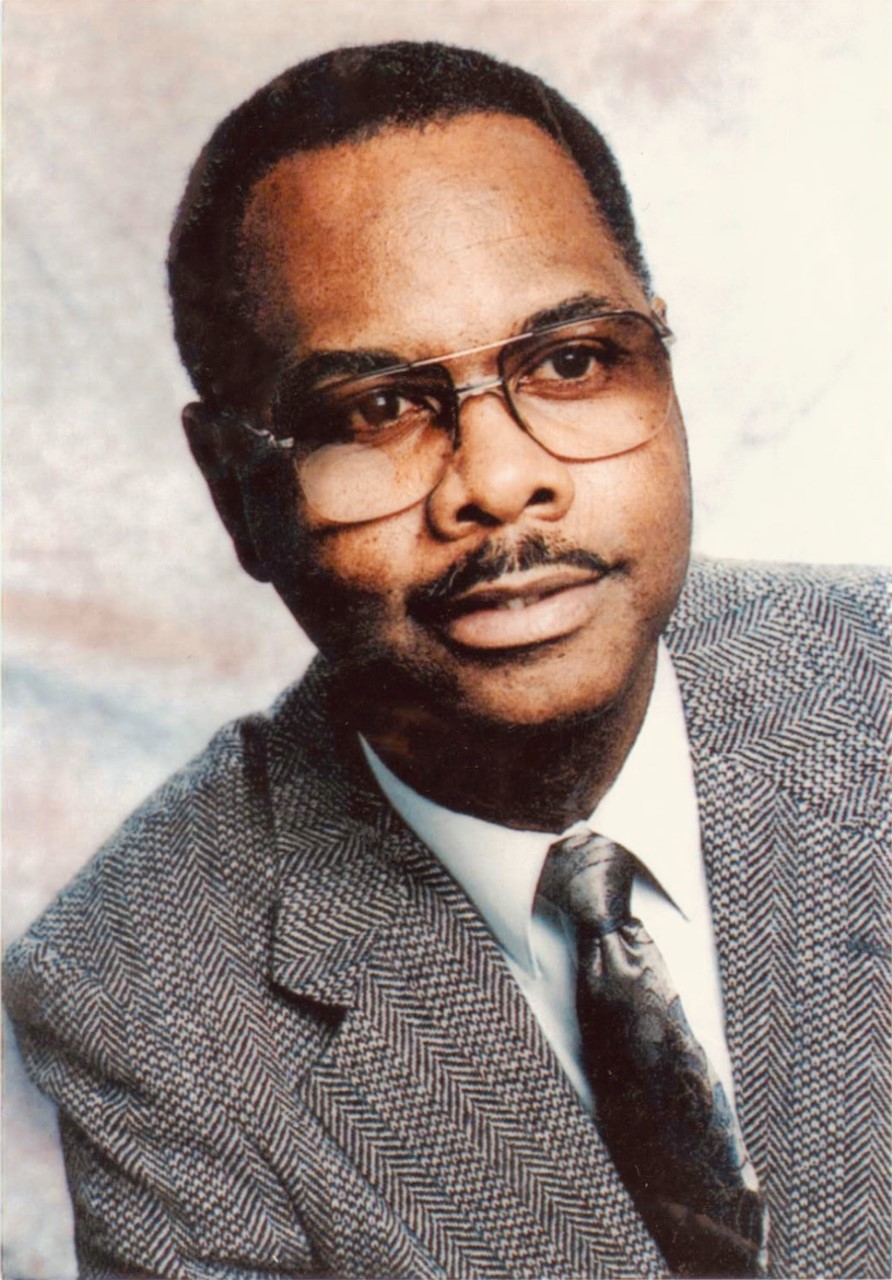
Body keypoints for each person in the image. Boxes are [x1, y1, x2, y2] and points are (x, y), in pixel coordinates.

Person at [5, 40, 889, 1280]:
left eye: (570, 361)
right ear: (236, 490)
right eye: (374, 408)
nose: (499, 480)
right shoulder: (141, 996)